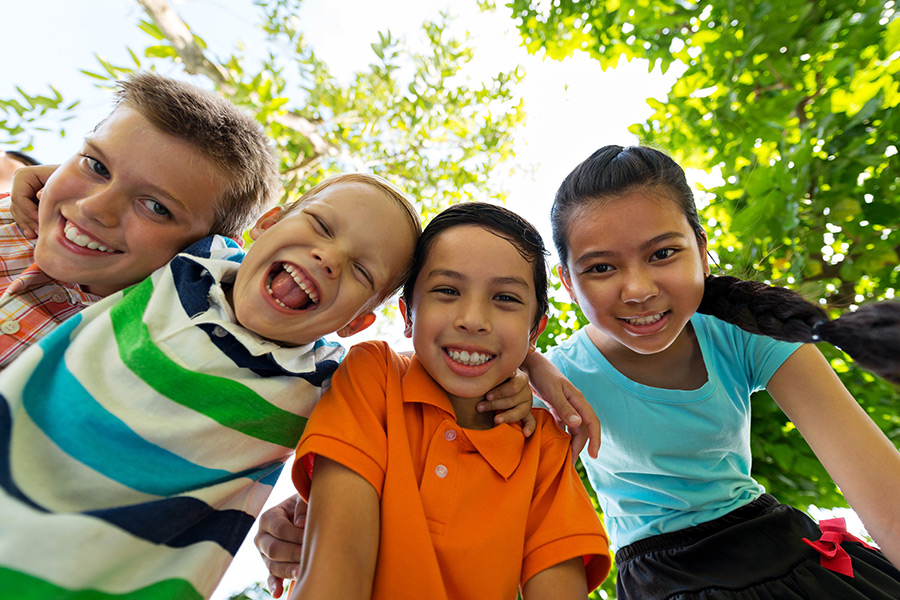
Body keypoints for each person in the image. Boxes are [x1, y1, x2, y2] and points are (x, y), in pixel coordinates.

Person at [0, 173, 424, 599]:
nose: (329, 257)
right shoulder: (193, 255)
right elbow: (136, 201)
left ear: (356, 323)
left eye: (361, 271)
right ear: (267, 224)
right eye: (322, 226)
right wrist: (55, 179)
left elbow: (432, 380)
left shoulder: (329, 379)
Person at [531, 144, 900, 599]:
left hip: (784, 553)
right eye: (602, 267)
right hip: (659, 581)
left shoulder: (745, 329)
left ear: (702, 253)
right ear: (568, 281)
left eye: (663, 253)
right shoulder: (554, 379)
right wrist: (526, 362)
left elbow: (888, 498)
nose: (638, 290)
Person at [289, 203, 611, 599]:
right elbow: (334, 574)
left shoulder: (544, 447)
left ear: (534, 332)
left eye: (505, 298)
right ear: (407, 316)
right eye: (447, 291)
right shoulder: (374, 375)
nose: (473, 318)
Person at [0, 70, 280, 370]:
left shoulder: (163, 353)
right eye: (97, 165)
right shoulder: (12, 214)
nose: (93, 207)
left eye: (156, 207)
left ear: (211, 248)